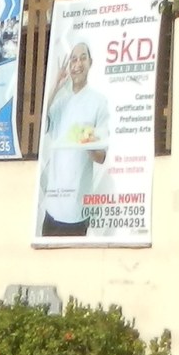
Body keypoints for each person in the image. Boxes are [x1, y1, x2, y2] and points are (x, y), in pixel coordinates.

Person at [37, 36, 108, 239]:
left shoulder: (98, 102)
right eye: (73, 59)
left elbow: (101, 157)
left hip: (78, 212)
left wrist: (88, 145)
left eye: (82, 58)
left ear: (90, 63)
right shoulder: (60, 103)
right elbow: (41, 125)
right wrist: (56, 85)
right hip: (52, 209)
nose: (77, 64)